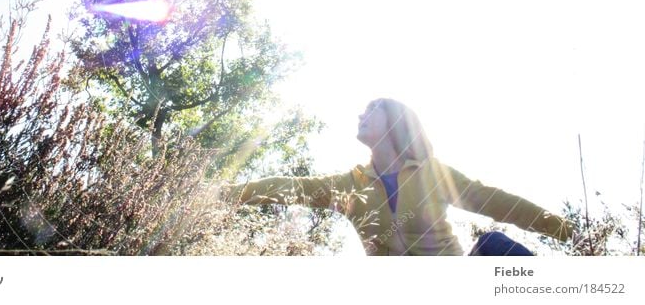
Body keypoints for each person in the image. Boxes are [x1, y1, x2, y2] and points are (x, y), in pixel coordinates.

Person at [221, 98, 575, 256]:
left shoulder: (432, 174)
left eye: (373, 107)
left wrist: (567, 231)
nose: (361, 112)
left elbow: (497, 202)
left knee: (494, 245)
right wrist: (225, 194)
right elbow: (290, 188)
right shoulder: (350, 185)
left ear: (396, 120)